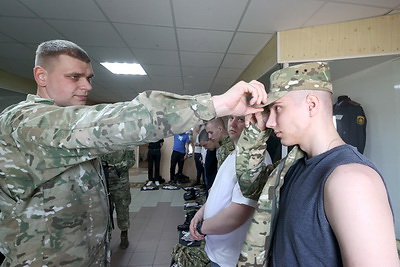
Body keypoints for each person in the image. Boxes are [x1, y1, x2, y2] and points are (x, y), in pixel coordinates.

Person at [0, 39, 268, 266]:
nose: (87, 86)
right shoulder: (25, 122)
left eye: (88, 78)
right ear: (41, 76)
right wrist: (216, 104)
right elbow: (118, 122)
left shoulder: (61, 123)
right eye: (74, 77)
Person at [236, 62, 399, 266]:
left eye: (278, 108)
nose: (270, 122)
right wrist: (255, 133)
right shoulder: (293, 165)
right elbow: (250, 186)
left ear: (311, 105)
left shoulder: (352, 180)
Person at [189, 116, 272, 267]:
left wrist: (202, 228)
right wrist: (200, 213)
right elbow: (217, 192)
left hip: (231, 259)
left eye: (240, 119)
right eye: (231, 118)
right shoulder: (235, 154)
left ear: (252, 124)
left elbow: (237, 215)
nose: (232, 123)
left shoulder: (254, 159)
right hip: (217, 252)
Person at [101, 149, 135, 249]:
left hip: (121, 182)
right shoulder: (101, 141)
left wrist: (117, 167)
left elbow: (131, 160)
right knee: (105, 211)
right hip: (105, 181)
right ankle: (107, 237)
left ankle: (124, 234)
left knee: (122, 210)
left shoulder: (125, 141)